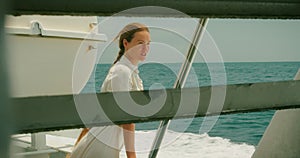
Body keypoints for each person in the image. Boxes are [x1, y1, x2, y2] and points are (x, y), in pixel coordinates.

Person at [70, 23, 151, 158]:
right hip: (100, 146)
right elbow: (127, 119)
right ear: (126, 43)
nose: (145, 48)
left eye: (148, 43)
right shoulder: (122, 72)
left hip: (104, 144)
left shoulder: (128, 71)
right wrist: (132, 156)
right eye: (140, 43)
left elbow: (96, 113)